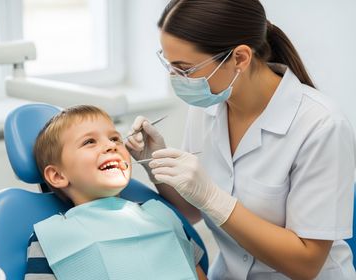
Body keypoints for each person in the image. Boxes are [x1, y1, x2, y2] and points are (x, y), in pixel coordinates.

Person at [125, 0, 356, 279]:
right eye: (169, 65)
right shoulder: (207, 108)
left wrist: (213, 198)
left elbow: (306, 263)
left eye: (184, 69)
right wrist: (156, 165)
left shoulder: (321, 125)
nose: (176, 79)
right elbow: (193, 211)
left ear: (240, 59)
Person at [24, 105, 207, 280]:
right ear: (57, 175)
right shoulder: (51, 238)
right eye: (89, 142)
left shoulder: (162, 215)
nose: (111, 146)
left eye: (114, 139)